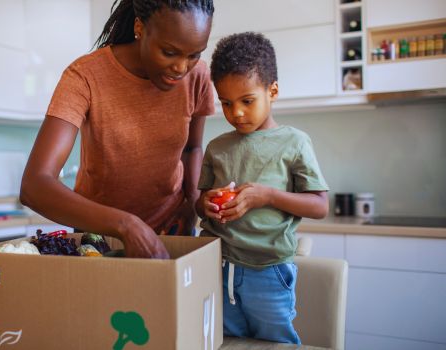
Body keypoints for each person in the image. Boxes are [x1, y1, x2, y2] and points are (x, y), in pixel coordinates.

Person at [20, 0, 216, 259]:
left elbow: (192, 148)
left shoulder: (198, 76)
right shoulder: (85, 76)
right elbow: (35, 186)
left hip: (171, 230)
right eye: (169, 52)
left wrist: (191, 204)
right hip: (100, 239)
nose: (181, 68)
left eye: (194, 55)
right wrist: (127, 226)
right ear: (140, 28)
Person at [195, 32, 329, 344]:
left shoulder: (294, 142)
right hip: (218, 265)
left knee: (274, 343)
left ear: (273, 91)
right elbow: (198, 204)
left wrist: (267, 195)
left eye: (247, 101)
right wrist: (207, 204)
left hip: (268, 270)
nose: (236, 112)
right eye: (226, 103)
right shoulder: (217, 147)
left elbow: (319, 206)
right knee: (224, 341)